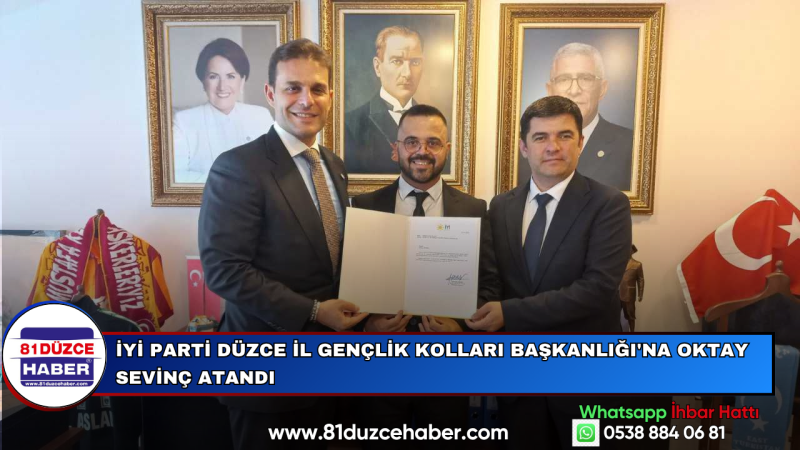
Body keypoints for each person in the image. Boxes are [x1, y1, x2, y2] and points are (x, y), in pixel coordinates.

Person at [198, 38, 368, 450]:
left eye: (318, 88)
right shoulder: (238, 167)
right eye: (293, 87)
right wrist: (314, 312)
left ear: (330, 96)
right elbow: (224, 271)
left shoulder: (333, 165)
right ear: (270, 93)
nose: (306, 100)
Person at [468, 96, 631, 449]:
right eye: (541, 137)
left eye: (564, 135)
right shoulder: (501, 206)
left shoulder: (608, 204)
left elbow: (597, 290)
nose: (553, 146)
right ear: (524, 147)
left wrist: (507, 313)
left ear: (581, 142)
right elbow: (491, 278)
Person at [350, 104, 501, 449]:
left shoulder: (474, 209)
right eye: (412, 142)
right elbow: (348, 284)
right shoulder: (363, 206)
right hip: (381, 363)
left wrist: (461, 329)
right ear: (396, 149)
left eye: (433, 142)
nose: (422, 151)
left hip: (445, 366)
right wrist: (367, 326)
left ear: (447, 149)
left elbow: (490, 284)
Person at [519, 42, 634, 191]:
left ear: (602, 89)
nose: (574, 90)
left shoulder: (629, 145)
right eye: (564, 79)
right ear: (550, 90)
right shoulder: (523, 150)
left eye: (585, 79)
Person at [173, 38, 274, 183]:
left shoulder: (261, 115)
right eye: (213, 77)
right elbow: (175, 176)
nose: (222, 86)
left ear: (242, 81)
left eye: (231, 76)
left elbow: (274, 168)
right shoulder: (183, 120)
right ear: (203, 82)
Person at [344, 26, 424, 174]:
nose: (407, 73)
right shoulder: (350, 124)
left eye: (415, 62)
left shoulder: (435, 123)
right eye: (397, 61)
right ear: (377, 67)